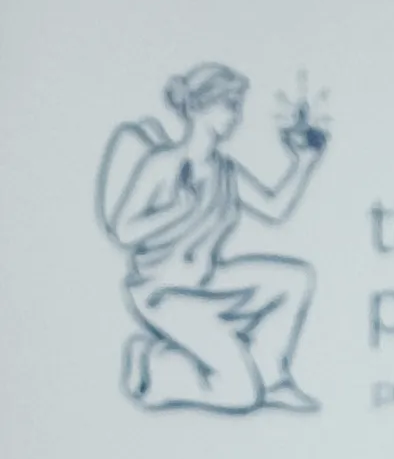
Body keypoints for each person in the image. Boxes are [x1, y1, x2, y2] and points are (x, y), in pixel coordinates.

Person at [98, 65, 324, 415]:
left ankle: (273, 379)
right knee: (240, 394)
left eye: (237, 107)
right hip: (162, 292)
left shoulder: (225, 170)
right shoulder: (164, 164)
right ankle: (153, 369)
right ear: (200, 108)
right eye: (229, 106)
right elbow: (123, 230)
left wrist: (305, 163)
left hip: (205, 282)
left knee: (295, 279)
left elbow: (274, 208)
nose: (236, 117)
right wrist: (176, 211)